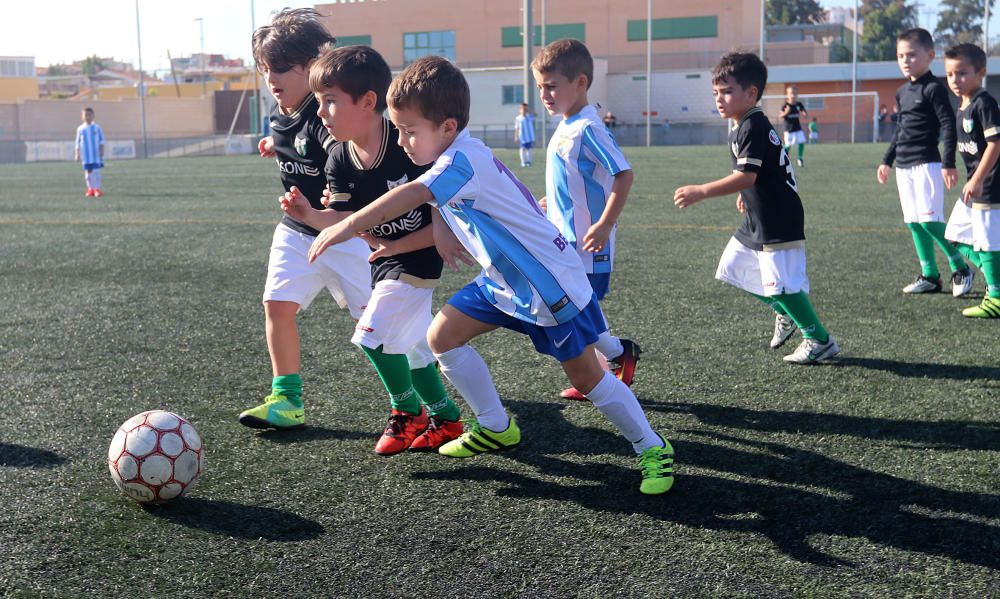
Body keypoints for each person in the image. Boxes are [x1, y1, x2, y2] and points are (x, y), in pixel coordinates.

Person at [301, 56, 674, 495]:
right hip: (503, 281)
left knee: (587, 379)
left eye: (409, 130)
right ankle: (496, 426)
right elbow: (436, 196)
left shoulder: (461, 162)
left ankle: (651, 445)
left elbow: (417, 192)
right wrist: (432, 228)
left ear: (447, 126)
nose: (401, 141)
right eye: (398, 130)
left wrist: (344, 224)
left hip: (546, 285)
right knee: (441, 337)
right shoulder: (455, 153)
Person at [278, 44, 466, 454]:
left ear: (367, 102)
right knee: (411, 343)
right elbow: (345, 220)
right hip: (386, 259)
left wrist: (416, 237)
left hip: (417, 256)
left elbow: (440, 206)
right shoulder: (338, 159)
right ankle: (447, 417)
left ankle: (406, 410)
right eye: (318, 102)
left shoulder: (407, 145)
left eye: (329, 101)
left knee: (372, 335)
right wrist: (310, 215)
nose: (321, 112)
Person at [237, 8, 372, 430]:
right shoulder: (280, 115)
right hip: (297, 231)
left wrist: (342, 187)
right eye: (265, 69)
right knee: (276, 305)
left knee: (377, 327)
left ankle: (418, 394)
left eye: (281, 69)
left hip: (347, 234)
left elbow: (351, 151)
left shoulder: (327, 114)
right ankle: (286, 399)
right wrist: (275, 146)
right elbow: (294, 141)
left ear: (312, 67)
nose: (271, 79)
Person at [673, 52, 840, 365]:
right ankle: (784, 313)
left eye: (726, 91)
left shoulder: (753, 126)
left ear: (751, 93)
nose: (719, 99)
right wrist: (747, 193)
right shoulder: (743, 124)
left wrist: (702, 191)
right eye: (715, 93)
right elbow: (758, 176)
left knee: (784, 286)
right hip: (757, 216)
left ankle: (819, 339)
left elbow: (747, 174)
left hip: (778, 218)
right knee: (732, 268)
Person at [531, 39, 640, 401]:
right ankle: (614, 361)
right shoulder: (566, 124)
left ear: (580, 82)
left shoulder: (588, 128)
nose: (544, 94)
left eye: (551, 86)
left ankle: (612, 362)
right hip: (565, 242)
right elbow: (577, 181)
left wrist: (606, 223)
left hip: (590, 246)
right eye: (540, 86)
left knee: (576, 314)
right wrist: (555, 204)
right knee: (574, 312)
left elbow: (623, 174)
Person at [877, 28, 974, 296]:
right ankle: (930, 275)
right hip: (904, 166)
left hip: (927, 164)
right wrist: (887, 160)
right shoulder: (901, 92)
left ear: (930, 55)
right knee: (914, 223)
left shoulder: (934, 88)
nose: (905, 60)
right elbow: (900, 130)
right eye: (900, 55)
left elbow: (949, 125)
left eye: (911, 54)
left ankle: (961, 267)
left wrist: (948, 163)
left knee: (931, 221)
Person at [943, 43, 1000, 317]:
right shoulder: (963, 103)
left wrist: (978, 178)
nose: (955, 80)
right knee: (954, 233)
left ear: (981, 73)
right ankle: (995, 278)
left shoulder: (984, 103)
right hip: (973, 183)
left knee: (988, 242)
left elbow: (995, 145)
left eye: (962, 73)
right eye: (951, 74)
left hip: (989, 184)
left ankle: (996, 297)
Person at [75, 107, 105, 197]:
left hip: (95, 155)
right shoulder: (80, 129)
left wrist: (102, 149)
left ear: (93, 116)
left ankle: (97, 189)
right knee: (88, 174)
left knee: (96, 172)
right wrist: (77, 153)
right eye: (86, 115)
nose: (88, 117)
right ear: (82, 117)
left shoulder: (97, 127)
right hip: (86, 156)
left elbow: (101, 140)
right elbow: (77, 142)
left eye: (90, 115)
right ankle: (90, 189)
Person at [778, 85, 808, 167]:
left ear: (797, 94)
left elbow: (803, 111)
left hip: (797, 128)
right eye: (791, 93)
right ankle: (783, 159)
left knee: (802, 142)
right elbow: (780, 115)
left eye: (794, 93)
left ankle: (800, 158)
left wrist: (804, 113)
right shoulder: (785, 105)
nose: (793, 95)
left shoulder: (799, 104)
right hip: (788, 129)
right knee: (788, 145)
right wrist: (786, 112)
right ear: (787, 94)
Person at [514, 102, 536, 167]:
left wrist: (529, 111)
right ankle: (523, 162)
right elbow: (517, 128)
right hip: (522, 137)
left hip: (529, 137)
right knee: (522, 149)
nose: (524, 110)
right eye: (523, 109)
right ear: (520, 109)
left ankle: (529, 162)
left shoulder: (529, 116)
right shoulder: (518, 118)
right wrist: (516, 136)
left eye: (525, 109)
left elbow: (536, 115)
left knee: (529, 149)